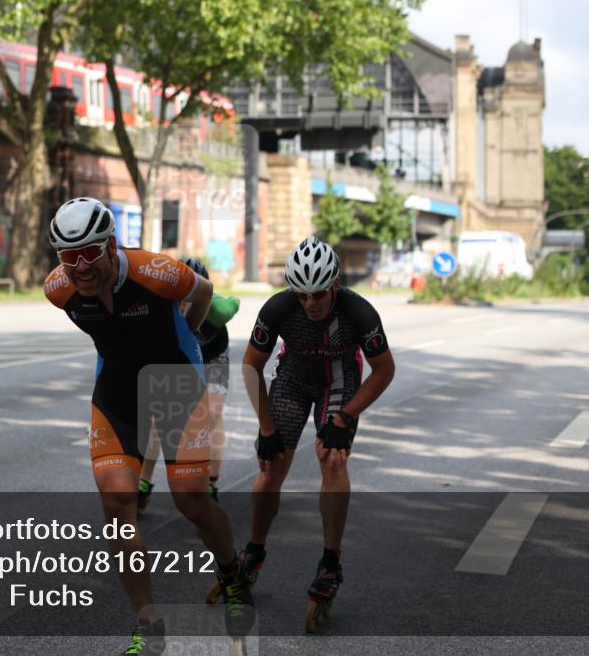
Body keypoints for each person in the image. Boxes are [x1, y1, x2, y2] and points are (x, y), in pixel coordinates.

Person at [44, 198, 254, 655]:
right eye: (68, 255)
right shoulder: (57, 289)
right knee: (118, 504)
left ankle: (231, 572)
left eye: (89, 253)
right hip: (118, 389)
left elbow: (203, 291)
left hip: (176, 380)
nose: (79, 265)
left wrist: (189, 339)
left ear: (110, 245)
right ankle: (148, 624)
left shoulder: (155, 271)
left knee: (192, 502)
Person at [240, 236, 395, 609]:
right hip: (293, 378)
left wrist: (345, 417)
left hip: (340, 379)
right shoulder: (278, 307)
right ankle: (254, 551)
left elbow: (385, 370)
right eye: (302, 295)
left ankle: (330, 562)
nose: (310, 303)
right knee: (270, 466)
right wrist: (266, 428)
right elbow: (251, 365)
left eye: (318, 295)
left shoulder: (359, 313)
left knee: (332, 459)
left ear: (335, 286)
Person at [137, 257, 239, 512]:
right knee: (155, 419)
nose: (183, 305)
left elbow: (234, 303)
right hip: (178, 358)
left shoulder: (216, 310)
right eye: (178, 298)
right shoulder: (157, 308)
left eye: (190, 299)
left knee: (212, 414)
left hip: (212, 357)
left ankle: (211, 481)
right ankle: (143, 482)